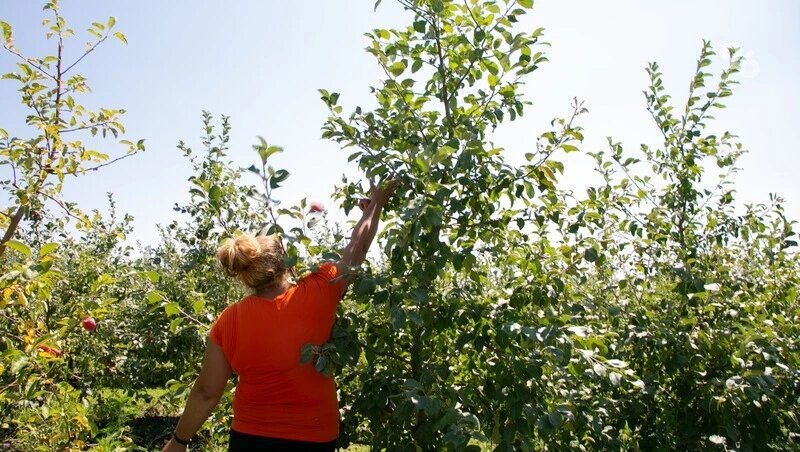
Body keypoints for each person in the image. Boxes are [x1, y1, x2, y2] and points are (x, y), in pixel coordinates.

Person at [161, 180, 396, 452]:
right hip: (313, 436)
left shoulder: (229, 320)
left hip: (250, 437)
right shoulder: (318, 291)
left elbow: (206, 392)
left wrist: (178, 442)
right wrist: (375, 205)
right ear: (285, 263)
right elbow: (358, 248)